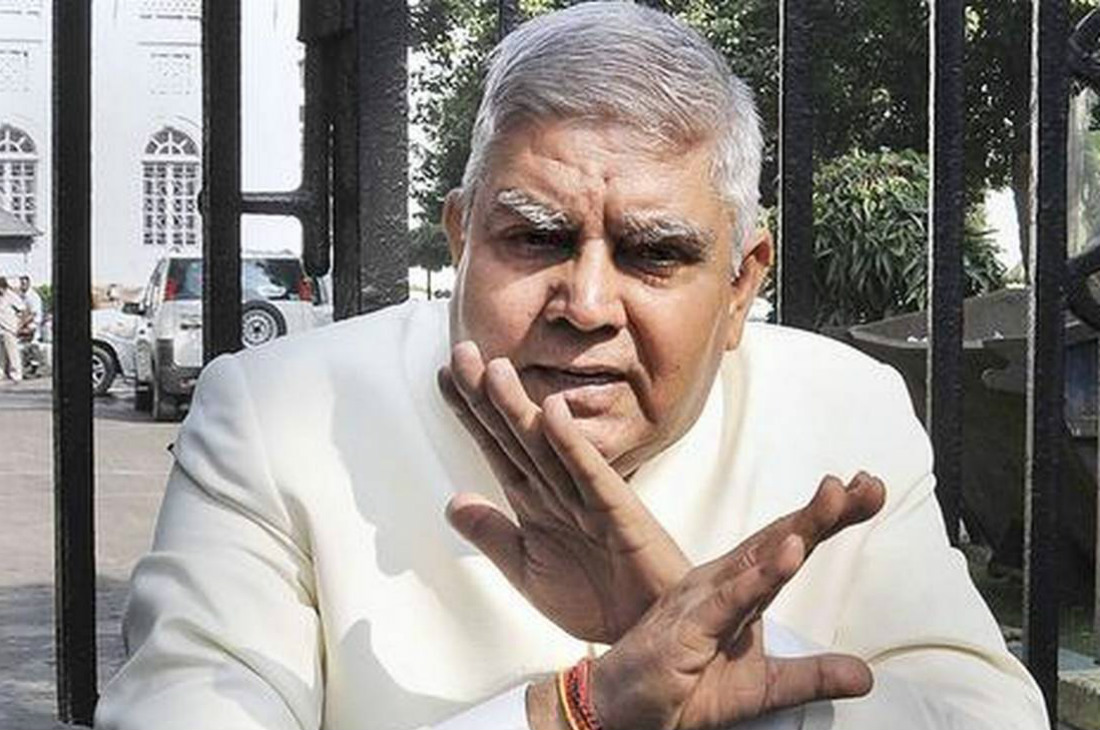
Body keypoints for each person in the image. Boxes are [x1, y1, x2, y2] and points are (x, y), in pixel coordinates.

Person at [94, 4, 1048, 729]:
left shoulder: (844, 410)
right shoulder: (281, 416)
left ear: (742, 284)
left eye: (654, 254)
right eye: (536, 238)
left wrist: (749, 676)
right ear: (462, 237)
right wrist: (573, 711)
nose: (586, 305)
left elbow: (985, 715)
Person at [0, 276, 26, 383]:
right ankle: (1, 372)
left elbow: (23, 310)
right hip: (0, 327)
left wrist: (20, 325)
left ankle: (16, 374)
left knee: (12, 352)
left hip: (9, 328)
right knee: (1, 353)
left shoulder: (11, 296)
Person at [18, 275, 43, 342]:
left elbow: (32, 315)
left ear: (28, 284)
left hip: (32, 328)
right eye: (21, 284)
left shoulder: (33, 297)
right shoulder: (21, 295)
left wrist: (19, 325)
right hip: (24, 326)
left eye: (23, 283)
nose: (21, 286)